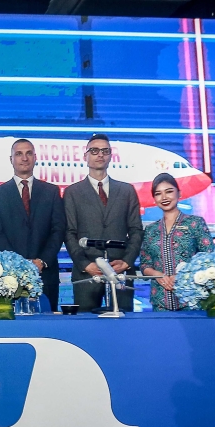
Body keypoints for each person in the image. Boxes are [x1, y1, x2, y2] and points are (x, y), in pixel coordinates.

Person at [63, 133, 143, 312]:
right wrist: (84, 264)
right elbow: (69, 232)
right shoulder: (72, 193)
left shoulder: (126, 191)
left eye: (105, 151)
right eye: (94, 150)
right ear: (85, 156)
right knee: (86, 329)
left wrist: (127, 262)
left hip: (120, 270)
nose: (100, 154)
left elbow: (136, 230)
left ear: (111, 156)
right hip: (87, 272)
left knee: (123, 328)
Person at [0, 139, 65, 311]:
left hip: (45, 274)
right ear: (11, 159)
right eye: (19, 154)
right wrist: (17, 264)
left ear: (35, 157)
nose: (24, 158)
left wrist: (42, 261)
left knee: (47, 328)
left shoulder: (51, 192)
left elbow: (58, 230)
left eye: (29, 153)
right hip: (10, 276)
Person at [139, 173, 213, 311]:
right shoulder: (151, 230)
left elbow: (209, 258)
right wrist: (158, 275)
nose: (164, 197)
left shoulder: (195, 223)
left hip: (192, 301)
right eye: (158, 194)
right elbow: (145, 264)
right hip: (160, 303)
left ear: (179, 193)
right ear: (154, 199)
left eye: (169, 192)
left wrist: (183, 275)